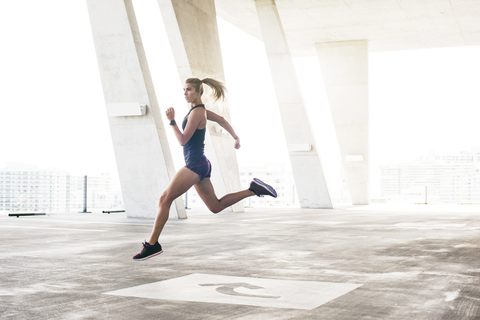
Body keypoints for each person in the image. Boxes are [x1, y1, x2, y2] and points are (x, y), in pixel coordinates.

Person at [133, 77, 277, 261]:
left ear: (199, 92)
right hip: (200, 164)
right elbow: (222, 120)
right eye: (184, 90)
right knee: (215, 206)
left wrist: (172, 121)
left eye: (189, 90)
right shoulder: (199, 111)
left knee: (164, 199)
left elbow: (183, 140)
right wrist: (235, 137)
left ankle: (152, 245)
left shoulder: (197, 112)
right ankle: (253, 190)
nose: (185, 93)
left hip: (195, 164)